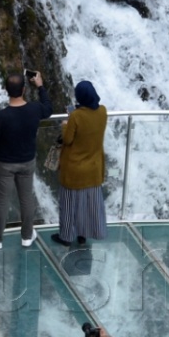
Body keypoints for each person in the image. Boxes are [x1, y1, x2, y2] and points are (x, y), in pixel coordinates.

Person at [0, 70, 52, 249]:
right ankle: (27, 236)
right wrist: (41, 86)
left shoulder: (1, 116)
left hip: (4, 164)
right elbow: (48, 109)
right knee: (26, 198)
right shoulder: (35, 109)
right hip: (27, 161)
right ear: (24, 89)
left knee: (2, 201)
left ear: (6, 90)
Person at [53, 80, 108, 246]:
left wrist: (65, 125)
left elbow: (68, 139)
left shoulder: (76, 116)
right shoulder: (103, 111)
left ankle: (66, 237)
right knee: (87, 205)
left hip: (75, 170)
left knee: (69, 205)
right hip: (94, 168)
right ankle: (83, 235)